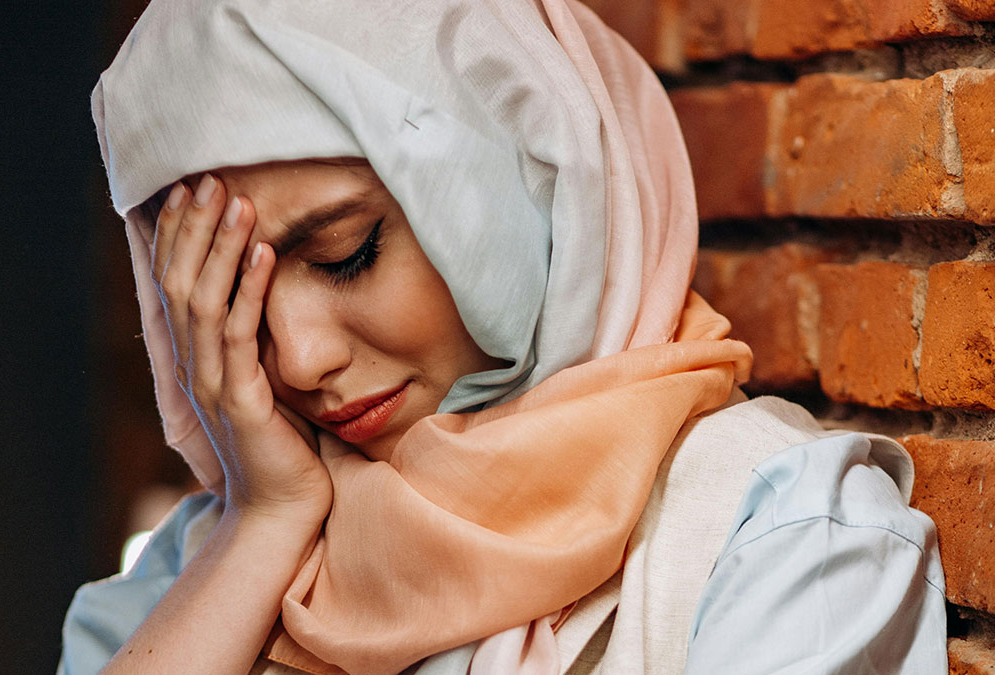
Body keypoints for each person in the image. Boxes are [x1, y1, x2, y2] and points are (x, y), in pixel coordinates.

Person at [61, 0, 947, 672]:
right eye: (234, 298)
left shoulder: (780, 536)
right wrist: (264, 522)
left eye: (345, 254)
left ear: (515, 180)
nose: (298, 357)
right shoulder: (182, 581)